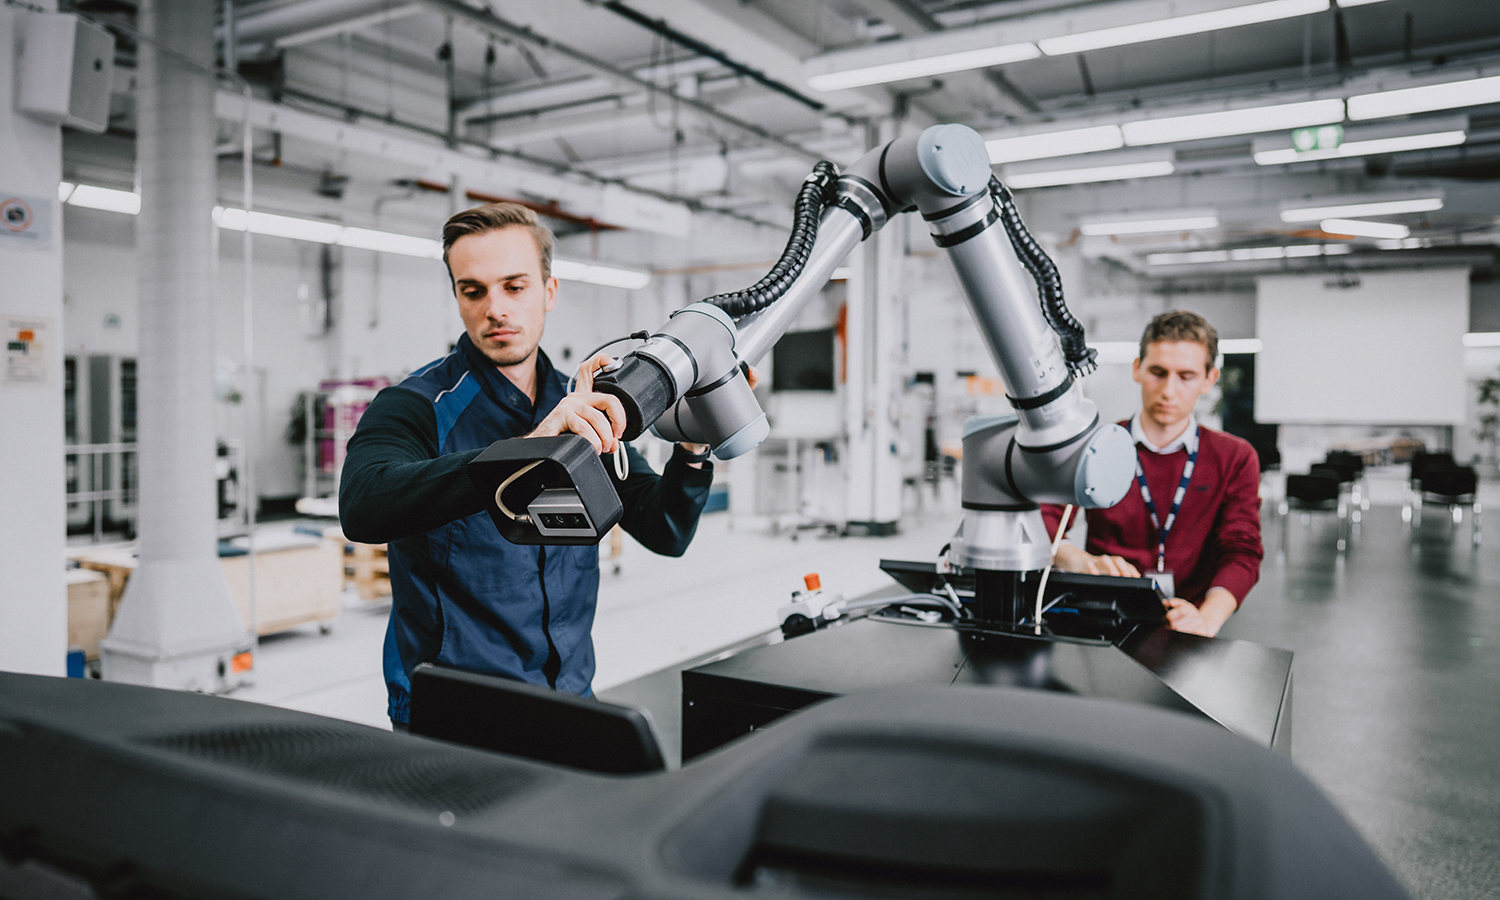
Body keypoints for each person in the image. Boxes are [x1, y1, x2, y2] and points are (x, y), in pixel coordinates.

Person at [339, 202, 719, 728]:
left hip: (569, 699)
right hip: (454, 713)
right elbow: (363, 506)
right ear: (458, 298)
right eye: (474, 290)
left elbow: (665, 529)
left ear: (549, 291)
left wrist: (692, 448)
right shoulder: (416, 405)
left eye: (514, 286)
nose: (495, 308)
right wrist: (530, 451)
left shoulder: (579, 403)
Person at [1042, 310, 1263, 637]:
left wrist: (1207, 618)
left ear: (1209, 379)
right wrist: (1082, 562)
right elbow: (1044, 523)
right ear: (1137, 369)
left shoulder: (1235, 457)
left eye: (1186, 376)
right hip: (1103, 617)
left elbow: (1242, 551)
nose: (1169, 391)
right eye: (1158, 372)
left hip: (1188, 622)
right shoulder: (1095, 446)